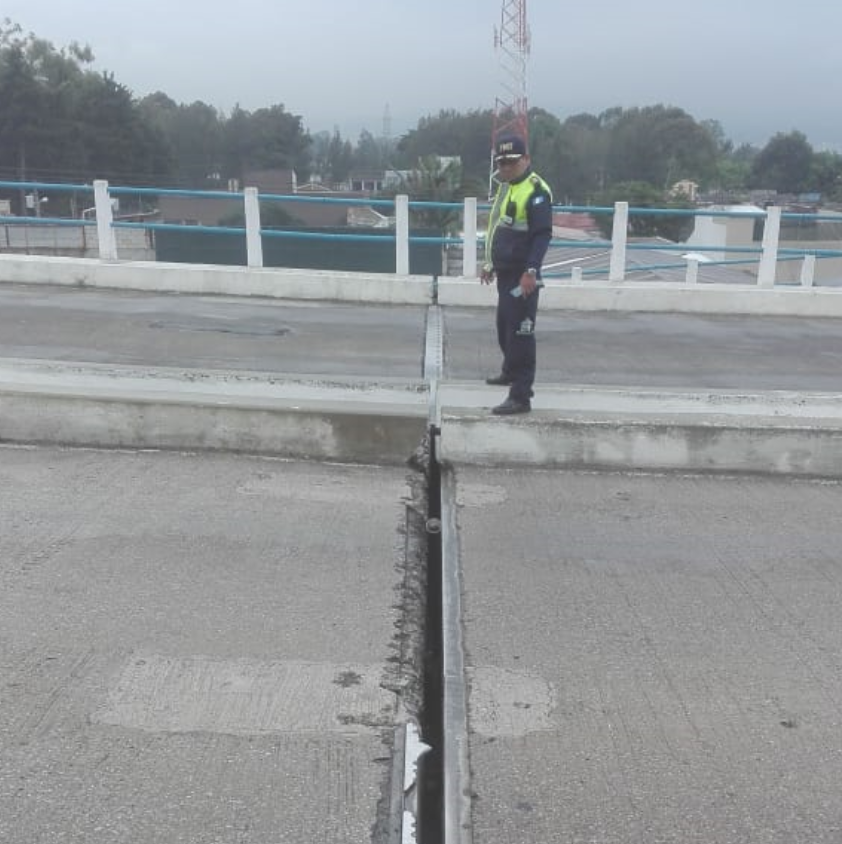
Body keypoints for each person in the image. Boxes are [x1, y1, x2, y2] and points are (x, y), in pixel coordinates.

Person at [480, 132, 553, 415]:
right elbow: (498, 227)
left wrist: (531, 272)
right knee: (504, 327)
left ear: (526, 160)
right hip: (506, 273)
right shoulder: (509, 187)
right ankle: (510, 371)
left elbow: (542, 236)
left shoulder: (535, 191)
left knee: (521, 333)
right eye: (501, 163)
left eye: (511, 162)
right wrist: (489, 263)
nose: (506, 168)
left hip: (524, 276)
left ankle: (521, 395)